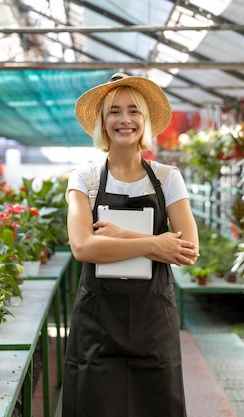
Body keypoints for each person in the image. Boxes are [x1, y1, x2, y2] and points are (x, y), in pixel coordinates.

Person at [63, 73, 199, 417]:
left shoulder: (168, 177)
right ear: (102, 122)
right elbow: (82, 247)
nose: (125, 120)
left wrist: (125, 237)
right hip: (97, 324)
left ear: (146, 120)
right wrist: (155, 244)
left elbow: (187, 249)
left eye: (134, 111)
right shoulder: (86, 178)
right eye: (114, 112)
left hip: (153, 324)